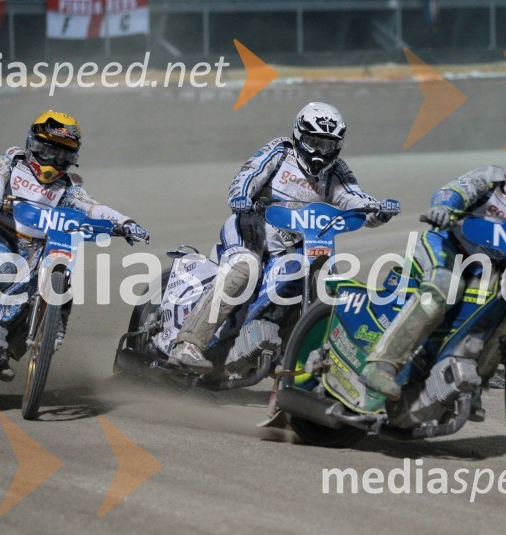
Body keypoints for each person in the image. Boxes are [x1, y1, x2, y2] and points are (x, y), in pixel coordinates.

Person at [170, 102, 398, 372]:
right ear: (299, 136)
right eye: (313, 142)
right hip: (252, 229)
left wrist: (378, 211)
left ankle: (298, 356)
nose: (319, 152)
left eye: (327, 145)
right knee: (244, 269)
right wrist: (241, 198)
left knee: (325, 278)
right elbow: (246, 176)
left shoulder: (336, 172)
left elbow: (355, 199)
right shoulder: (279, 152)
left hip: (300, 244)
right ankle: (188, 344)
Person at [0, 110, 150, 354]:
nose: (54, 159)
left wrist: (125, 222)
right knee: (2, 266)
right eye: (49, 150)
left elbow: (92, 207)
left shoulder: (69, 186)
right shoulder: (13, 160)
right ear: (33, 143)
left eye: (63, 154)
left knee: (52, 282)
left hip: (37, 249)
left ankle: (9, 346)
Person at [361, 134, 506, 402]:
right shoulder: (488, 179)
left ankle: (468, 388)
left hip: (490, 270)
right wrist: (444, 208)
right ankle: (381, 365)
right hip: (447, 246)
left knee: (504, 310)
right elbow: (453, 192)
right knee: (444, 289)